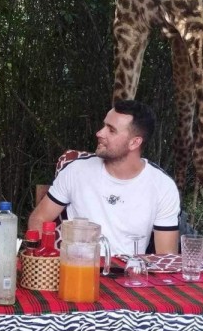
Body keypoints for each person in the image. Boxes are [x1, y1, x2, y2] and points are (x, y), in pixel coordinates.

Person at [28, 99, 180, 256]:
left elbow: (166, 258)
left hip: (129, 275)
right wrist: (41, 259)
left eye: (111, 130)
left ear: (134, 142)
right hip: (78, 269)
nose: (99, 133)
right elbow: (39, 217)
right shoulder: (76, 170)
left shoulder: (163, 186)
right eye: (104, 126)